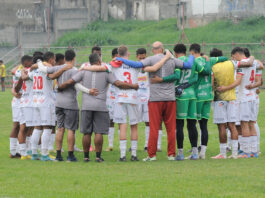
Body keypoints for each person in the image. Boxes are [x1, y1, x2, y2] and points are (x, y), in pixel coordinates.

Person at [115, 41, 194, 161]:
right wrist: (193, 55)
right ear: (162, 49)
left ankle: (152, 155)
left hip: (155, 99)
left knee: (154, 128)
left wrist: (121, 59)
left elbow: (136, 65)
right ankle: (171, 154)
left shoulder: (151, 59)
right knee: (171, 128)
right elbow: (188, 65)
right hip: (170, 98)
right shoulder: (172, 59)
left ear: (153, 50)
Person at [57, 53, 139, 162]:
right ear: (99, 61)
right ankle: (98, 157)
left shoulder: (83, 71)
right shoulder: (105, 72)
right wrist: (133, 86)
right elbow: (118, 84)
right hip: (100, 106)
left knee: (86, 133)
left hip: (86, 105)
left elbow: (71, 81)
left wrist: (61, 86)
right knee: (98, 132)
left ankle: (86, 157)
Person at [14, 55, 34, 160]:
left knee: (27, 127)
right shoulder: (30, 71)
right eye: (32, 61)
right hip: (28, 103)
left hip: (24, 102)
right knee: (24, 127)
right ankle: (23, 153)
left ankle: (24, 151)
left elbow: (16, 89)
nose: (33, 62)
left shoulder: (21, 72)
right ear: (27, 62)